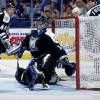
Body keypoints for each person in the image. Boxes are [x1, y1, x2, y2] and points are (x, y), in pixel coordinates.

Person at [15, 13, 76, 86]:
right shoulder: (32, 33)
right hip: (37, 59)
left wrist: (64, 59)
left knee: (52, 78)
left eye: (41, 23)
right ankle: (45, 74)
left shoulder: (48, 34)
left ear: (45, 24)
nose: (39, 25)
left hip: (50, 56)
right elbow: (25, 43)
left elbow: (58, 48)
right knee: (31, 74)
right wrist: (21, 50)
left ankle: (72, 66)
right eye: (38, 23)